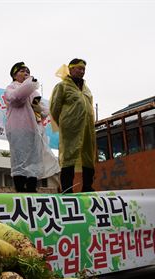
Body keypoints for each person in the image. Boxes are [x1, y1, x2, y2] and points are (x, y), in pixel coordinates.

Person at [4, 62, 59, 192]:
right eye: (22, 71)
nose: (26, 73)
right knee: (20, 158)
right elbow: (16, 98)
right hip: (18, 129)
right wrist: (29, 85)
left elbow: (44, 111)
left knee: (34, 159)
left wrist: (39, 108)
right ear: (14, 75)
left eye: (27, 71)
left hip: (34, 130)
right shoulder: (11, 88)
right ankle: (20, 188)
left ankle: (31, 187)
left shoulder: (33, 92)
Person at [49, 58, 96, 193]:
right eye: (79, 68)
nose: (82, 71)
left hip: (87, 127)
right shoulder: (62, 86)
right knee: (69, 155)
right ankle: (67, 188)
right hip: (71, 127)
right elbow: (54, 108)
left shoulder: (86, 88)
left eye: (84, 69)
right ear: (71, 69)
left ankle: (87, 186)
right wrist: (65, 123)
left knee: (88, 155)